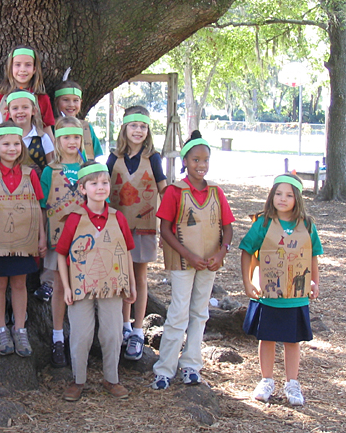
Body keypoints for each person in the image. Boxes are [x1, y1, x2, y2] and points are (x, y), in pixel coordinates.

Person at [151, 131, 234, 390]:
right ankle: (164, 369)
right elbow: (165, 230)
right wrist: (189, 255)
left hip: (209, 263)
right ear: (185, 161)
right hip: (182, 263)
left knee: (199, 313)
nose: (201, 165)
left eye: (205, 160)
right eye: (196, 160)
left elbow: (227, 227)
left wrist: (221, 252)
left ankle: (191, 365)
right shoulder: (175, 191)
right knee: (178, 313)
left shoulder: (216, 192)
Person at [56, 161, 137, 401]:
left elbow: (127, 252)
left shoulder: (118, 218)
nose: (100, 187)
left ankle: (111, 378)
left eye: (104, 182)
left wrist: (131, 284)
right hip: (80, 286)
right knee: (81, 334)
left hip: (112, 285)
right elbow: (61, 254)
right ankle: (78, 380)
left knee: (112, 333)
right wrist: (66, 287)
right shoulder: (75, 219)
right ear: (83, 189)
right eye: (94, 183)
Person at [240, 173, 322, 406]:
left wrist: (314, 282)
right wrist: (248, 282)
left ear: (297, 199)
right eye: (278, 194)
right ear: (271, 196)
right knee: (266, 338)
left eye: (288, 195)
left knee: (292, 341)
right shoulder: (263, 224)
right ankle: (266, 380)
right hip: (268, 296)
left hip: (295, 298)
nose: (282, 199)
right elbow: (246, 250)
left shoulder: (307, 225)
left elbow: (313, 256)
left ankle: (292, 382)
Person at [0, 121, 47, 357]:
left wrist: (41, 236)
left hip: (24, 241)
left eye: (16, 144)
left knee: (19, 284)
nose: (12, 148)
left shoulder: (30, 174)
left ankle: (20, 328)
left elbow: (37, 206)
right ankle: (0, 328)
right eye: (6, 144)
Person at [107, 106, 166, 361]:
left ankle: (138, 330)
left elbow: (164, 189)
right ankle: (123, 325)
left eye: (143, 126)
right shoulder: (114, 158)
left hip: (144, 227)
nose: (138, 131)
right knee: (121, 276)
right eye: (134, 126)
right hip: (117, 228)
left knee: (139, 278)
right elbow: (103, 186)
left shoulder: (153, 158)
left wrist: (169, 223)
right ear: (124, 128)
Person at [37, 116, 85, 367]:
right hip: (57, 240)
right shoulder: (50, 171)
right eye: (66, 137)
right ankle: (58, 337)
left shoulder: (89, 169)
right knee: (58, 285)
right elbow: (43, 206)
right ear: (57, 140)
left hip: (85, 240)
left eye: (76, 137)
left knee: (82, 286)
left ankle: (80, 338)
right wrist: (42, 236)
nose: (72, 142)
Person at [0, 45, 54, 163]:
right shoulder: (0, 96)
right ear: (10, 68)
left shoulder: (42, 98)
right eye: (17, 65)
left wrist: (56, 162)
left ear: (34, 69)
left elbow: (47, 129)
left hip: (34, 159)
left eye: (28, 65)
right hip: (5, 158)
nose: (23, 69)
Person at [4, 89, 54, 175]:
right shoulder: (2, 138)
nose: (20, 111)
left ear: (34, 111)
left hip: (39, 183)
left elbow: (51, 168)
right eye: (15, 108)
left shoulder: (43, 138)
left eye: (25, 107)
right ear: (9, 113)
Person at [53, 80, 103, 160]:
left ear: (81, 102)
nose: (71, 104)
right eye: (66, 100)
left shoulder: (86, 128)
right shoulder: (50, 128)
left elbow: (98, 156)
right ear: (56, 102)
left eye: (75, 100)